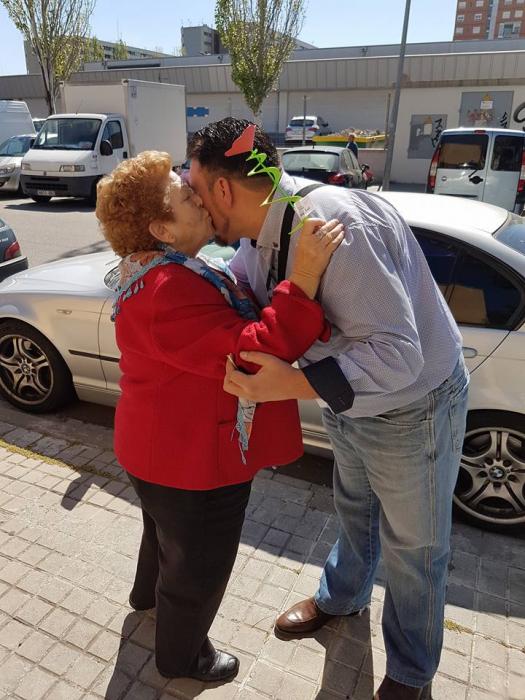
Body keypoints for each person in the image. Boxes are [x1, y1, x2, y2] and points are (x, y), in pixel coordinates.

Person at [187, 118, 469, 700]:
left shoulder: (334, 228)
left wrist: (291, 383)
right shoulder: (259, 232)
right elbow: (247, 295)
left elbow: (400, 357)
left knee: (415, 550)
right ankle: (342, 598)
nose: (193, 200)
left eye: (195, 189)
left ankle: (411, 674)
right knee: (354, 510)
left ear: (224, 190)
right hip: (350, 398)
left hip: (411, 408)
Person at [95, 150, 343, 683]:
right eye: (186, 195)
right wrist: (302, 277)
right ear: (162, 229)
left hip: (157, 450)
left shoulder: (163, 268)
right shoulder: (168, 288)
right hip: (190, 464)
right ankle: (182, 658)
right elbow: (252, 352)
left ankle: (147, 598)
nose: (200, 196)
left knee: (164, 536)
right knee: (198, 567)